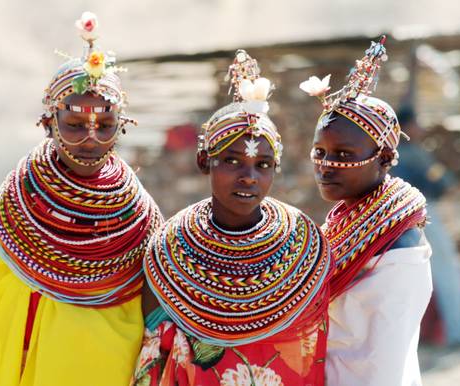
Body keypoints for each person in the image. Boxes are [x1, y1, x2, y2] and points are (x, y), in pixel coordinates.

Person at [0, 12, 162, 386]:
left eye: (105, 126)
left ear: (121, 126)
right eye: (75, 126)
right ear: (48, 123)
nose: (91, 140)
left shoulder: (141, 215)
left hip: (107, 370)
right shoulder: (12, 206)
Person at [132, 50, 334, 386]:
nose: (249, 177)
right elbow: (155, 348)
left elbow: (312, 350)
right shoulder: (168, 248)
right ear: (203, 162)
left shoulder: (305, 243)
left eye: (263, 165)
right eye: (232, 161)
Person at [300, 37, 432, 386]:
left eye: (343, 155)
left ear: (385, 160)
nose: (326, 166)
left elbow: (380, 367)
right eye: (320, 152)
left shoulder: (398, 251)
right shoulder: (347, 221)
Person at [392, 105, 460, 347]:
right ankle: (457, 334)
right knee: (448, 271)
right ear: (406, 127)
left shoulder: (384, 153)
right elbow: (443, 182)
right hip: (422, 214)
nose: (422, 129)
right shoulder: (414, 153)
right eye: (417, 124)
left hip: (393, 222)